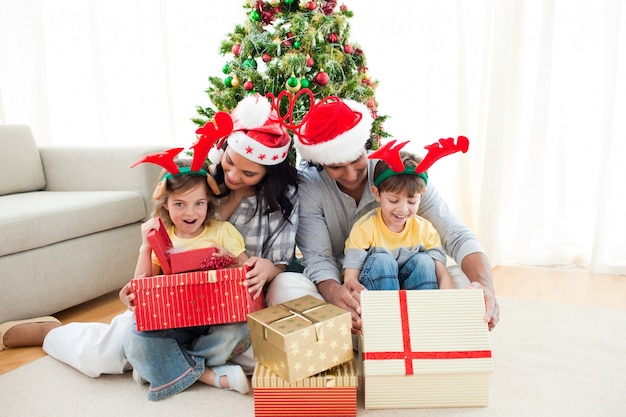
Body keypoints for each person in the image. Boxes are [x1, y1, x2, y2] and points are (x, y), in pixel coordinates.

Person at [0, 93, 299, 379]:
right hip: (171, 306)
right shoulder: (196, 180)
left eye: (249, 174)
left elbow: (280, 262)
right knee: (106, 356)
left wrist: (267, 268)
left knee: (240, 345)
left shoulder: (280, 200)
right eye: (230, 162)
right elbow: (157, 245)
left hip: (222, 312)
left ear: (269, 173)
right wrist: (135, 290)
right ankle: (51, 333)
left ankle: (167, 363)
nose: (233, 175)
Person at [266, 94, 500, 333]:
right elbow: (319, 258)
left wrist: (485, 288)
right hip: (349, 285)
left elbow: (456, 235)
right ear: (320, 162)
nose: (350, 175)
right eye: (336, 166)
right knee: (284, 288)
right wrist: (336, 293)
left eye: (356, 159)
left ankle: (385, 337)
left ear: (366, 146)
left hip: (412, 279)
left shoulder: (400, 174)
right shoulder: (309, 185)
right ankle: (365, 333)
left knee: (465, 282)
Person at [122, 155, 252, 401]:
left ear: (208, 202)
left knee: (241, 330)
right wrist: (145, 247)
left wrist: (229, 260)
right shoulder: (163, 237)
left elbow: (247, 271)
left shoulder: (223, 231)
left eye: (199, 203)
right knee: (133, 334)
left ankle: (159, 366)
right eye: (179, 204)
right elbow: (142, 284)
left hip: (216, 320)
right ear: (166, 205)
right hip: (175, 322)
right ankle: (209, 375)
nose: (190, 212)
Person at [343, 150, 454, 291]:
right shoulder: (364, 228)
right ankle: (388, 311)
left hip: (410, 285)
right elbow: (351, 278)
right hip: (376, 289)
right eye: (393, 200)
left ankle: (422, 310)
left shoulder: (425, 229)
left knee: (425, 261)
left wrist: (443, 301)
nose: (403, 209)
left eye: (412, 202)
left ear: (422, 196)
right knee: (383, 261)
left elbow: (442, 275)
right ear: (377, 193)